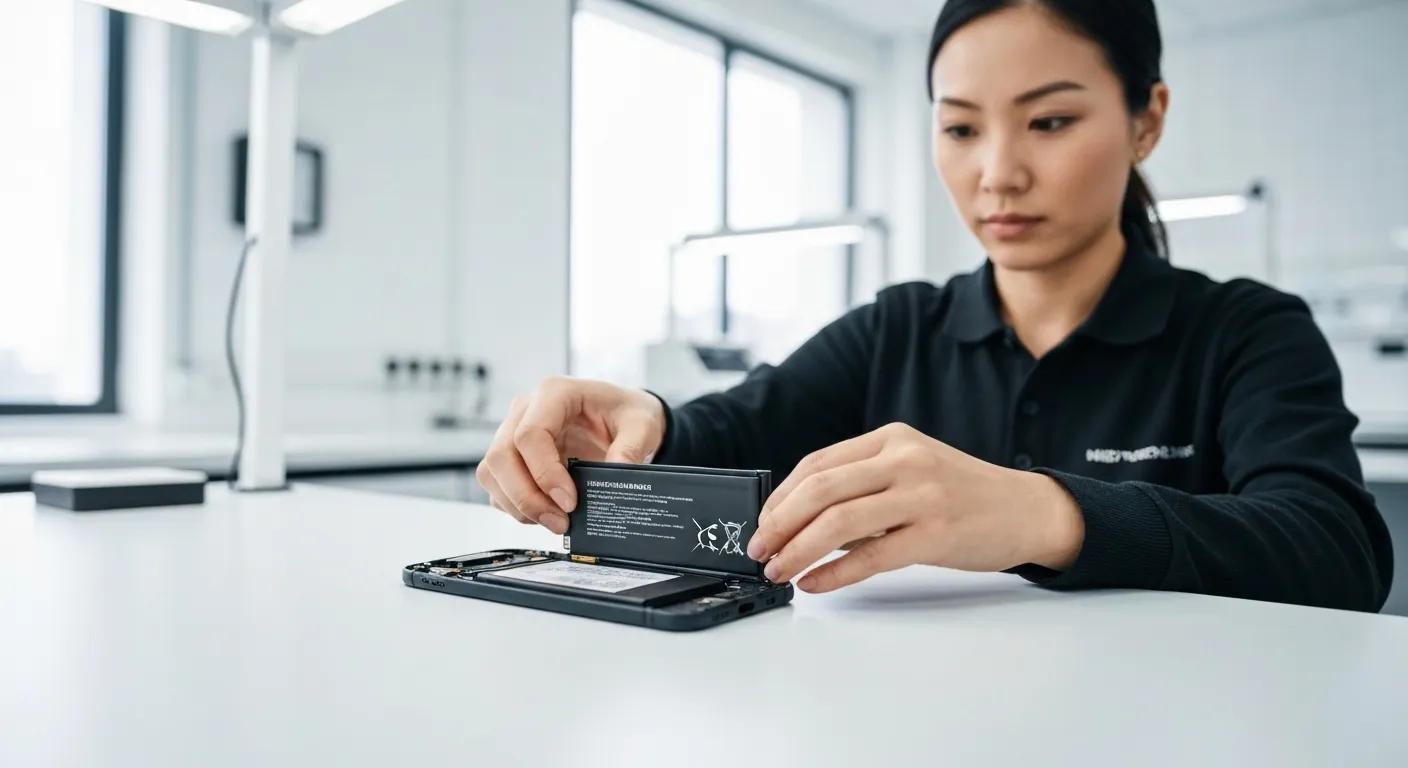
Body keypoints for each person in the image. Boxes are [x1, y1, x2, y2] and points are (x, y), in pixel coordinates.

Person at [475, 0, 1392, 612]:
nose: (997, 173)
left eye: (1051, 121)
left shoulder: (1247, 332)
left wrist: (1041, 513)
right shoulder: (897, 329)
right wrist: (644, 428)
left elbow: (1337, 551)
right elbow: (739, 430)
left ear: (1145, 118)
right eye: (960, 128)